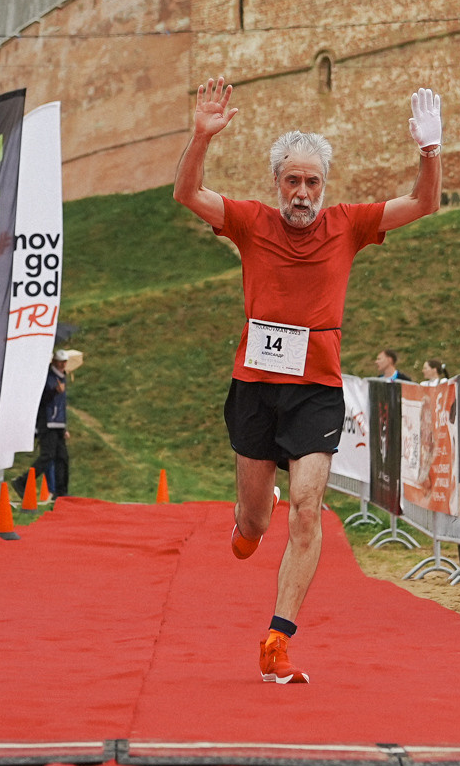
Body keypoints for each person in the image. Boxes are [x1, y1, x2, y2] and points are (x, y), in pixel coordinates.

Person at [173, 75, 441, 684]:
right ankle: (247, 514)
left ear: (325, 185)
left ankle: (278, 637)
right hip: (255, 387)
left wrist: (430, 154)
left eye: (312, 181)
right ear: (277, 184)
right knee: (255, 527)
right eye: (292, 181)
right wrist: (200, 137)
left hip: (317, 391)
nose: (302, 192)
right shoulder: (249, 223)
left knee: (306, 508)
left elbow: (423, 205)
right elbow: (186, 193)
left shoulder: (347, 225)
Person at [35, 349, 81, 498]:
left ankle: (60, 492)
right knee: (48, 457)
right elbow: (42, 400)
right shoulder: (48, 378)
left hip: (57, 423)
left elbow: (61, 406)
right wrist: (55, 391)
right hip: (48, 423)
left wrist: (64, 426)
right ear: (54, 362)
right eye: (60, 362)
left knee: (61, 458)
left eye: (64, 362)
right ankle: (25, 481)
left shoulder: (62, 378)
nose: (62, 365)